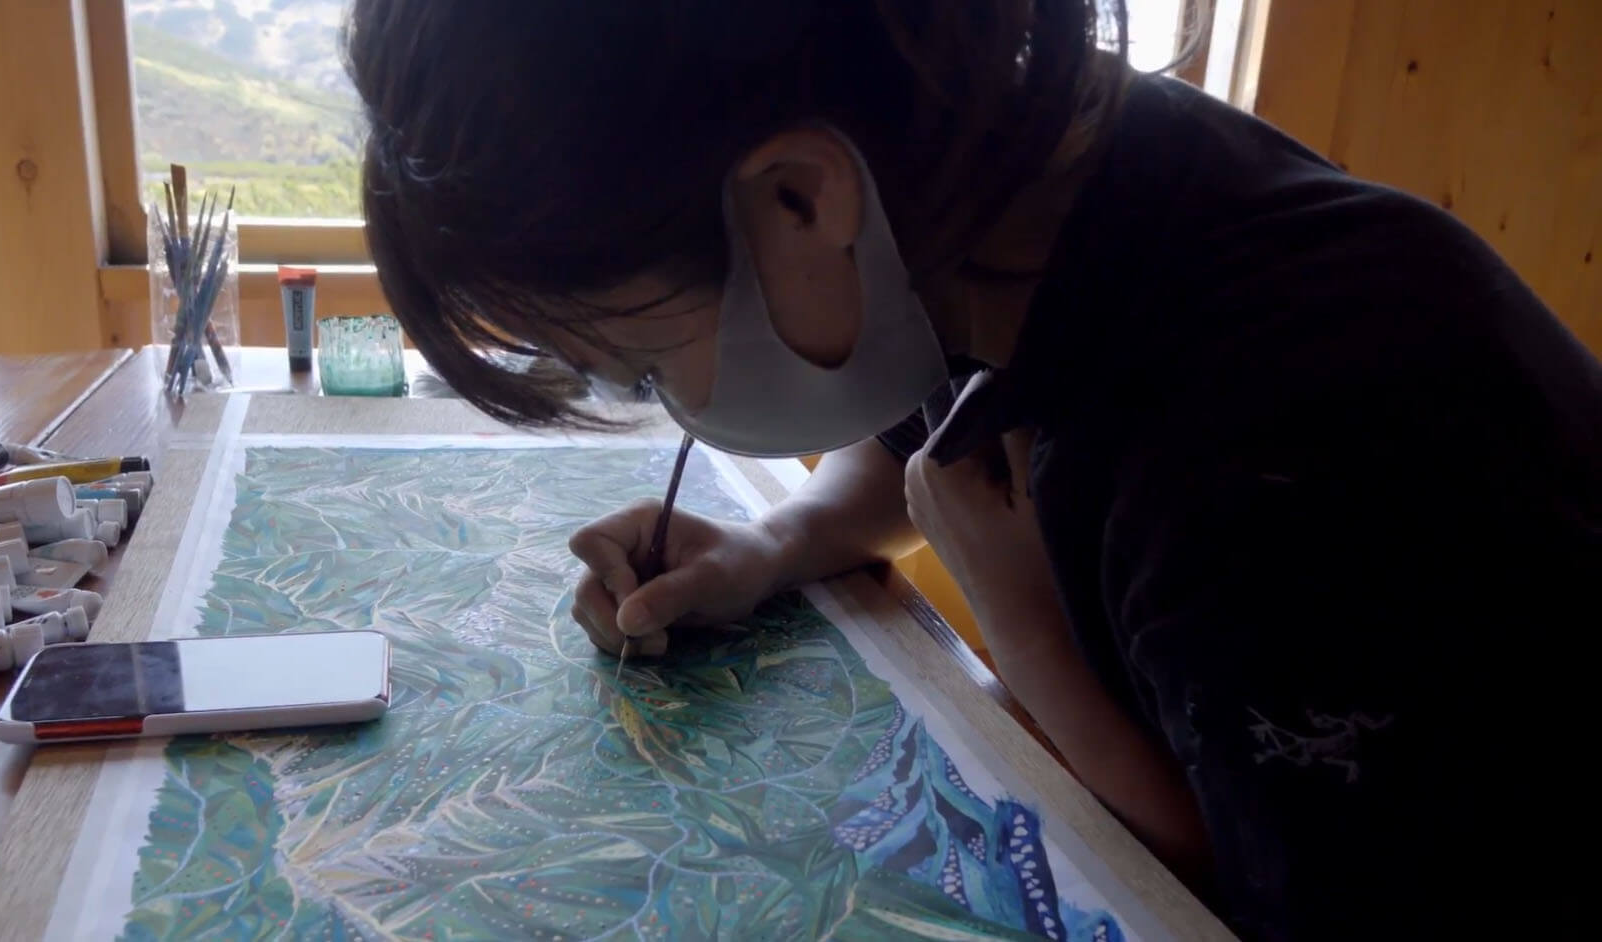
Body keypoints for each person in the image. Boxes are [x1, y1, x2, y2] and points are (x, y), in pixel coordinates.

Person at [345, 1, 1599, 937]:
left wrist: (1026, 633)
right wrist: (770, 547)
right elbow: (928, 439)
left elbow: (1236, 898)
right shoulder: (993, 182)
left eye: (639, 362)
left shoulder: (1299, 445)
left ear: (797, 199)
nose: (664, 405)